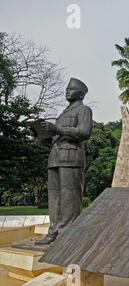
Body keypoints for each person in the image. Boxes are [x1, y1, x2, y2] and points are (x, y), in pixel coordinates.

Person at [35, 78, 93, 245]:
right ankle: (53, 232)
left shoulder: (84, 110)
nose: (67, 91)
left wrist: (57, 129)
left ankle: (67, 235)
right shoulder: (63, 113)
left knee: (70, 197)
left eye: (72, 89)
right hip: (55, 157)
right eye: (67, 89)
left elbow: (84, 132)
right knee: (54, 197)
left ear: (81, 94)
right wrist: (44, 135)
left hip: (71, 158)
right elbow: (58, 135)